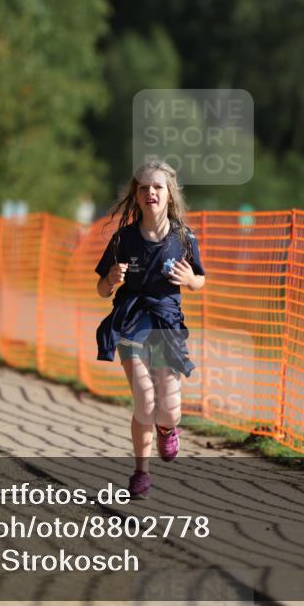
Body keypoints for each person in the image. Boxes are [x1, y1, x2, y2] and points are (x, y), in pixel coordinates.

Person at [94, 160, 206, 500]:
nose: (150, 192)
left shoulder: (184, 237)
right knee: (144, 401)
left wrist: (190, 280)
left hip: (168, 325)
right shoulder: (123, 239)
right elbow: (101, 288)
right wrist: (111, 280)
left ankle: (166, 428)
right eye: (143, 187)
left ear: (169, 195)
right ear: (136, 195)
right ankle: (141, 472)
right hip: (131, 323)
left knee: (169, 407)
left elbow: (200, 279)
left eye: (157, 187)